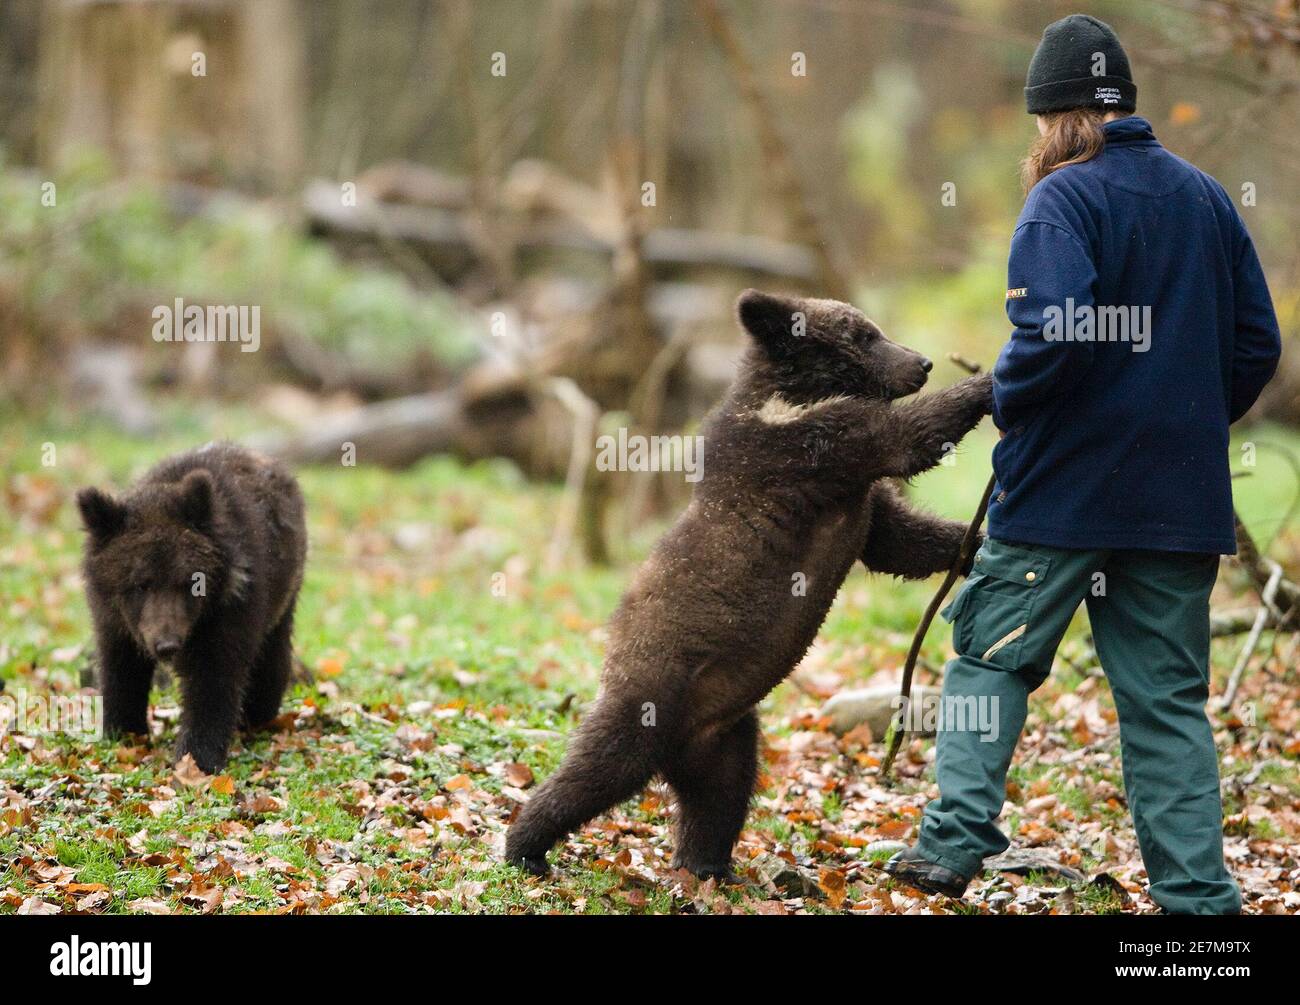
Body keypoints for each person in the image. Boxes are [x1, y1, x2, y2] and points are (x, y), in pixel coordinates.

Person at [886, 13, 1281, 914]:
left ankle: (951, 846)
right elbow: (1257, 343)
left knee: (991, 655)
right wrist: (1181, 419)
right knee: (1167, 704)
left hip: (1061, 492)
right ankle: (1198, 907)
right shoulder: (1206, 198)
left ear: (1053, 119)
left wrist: (1009, 399)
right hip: (1176, 502)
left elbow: (1054, 332)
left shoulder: (1062, 198)